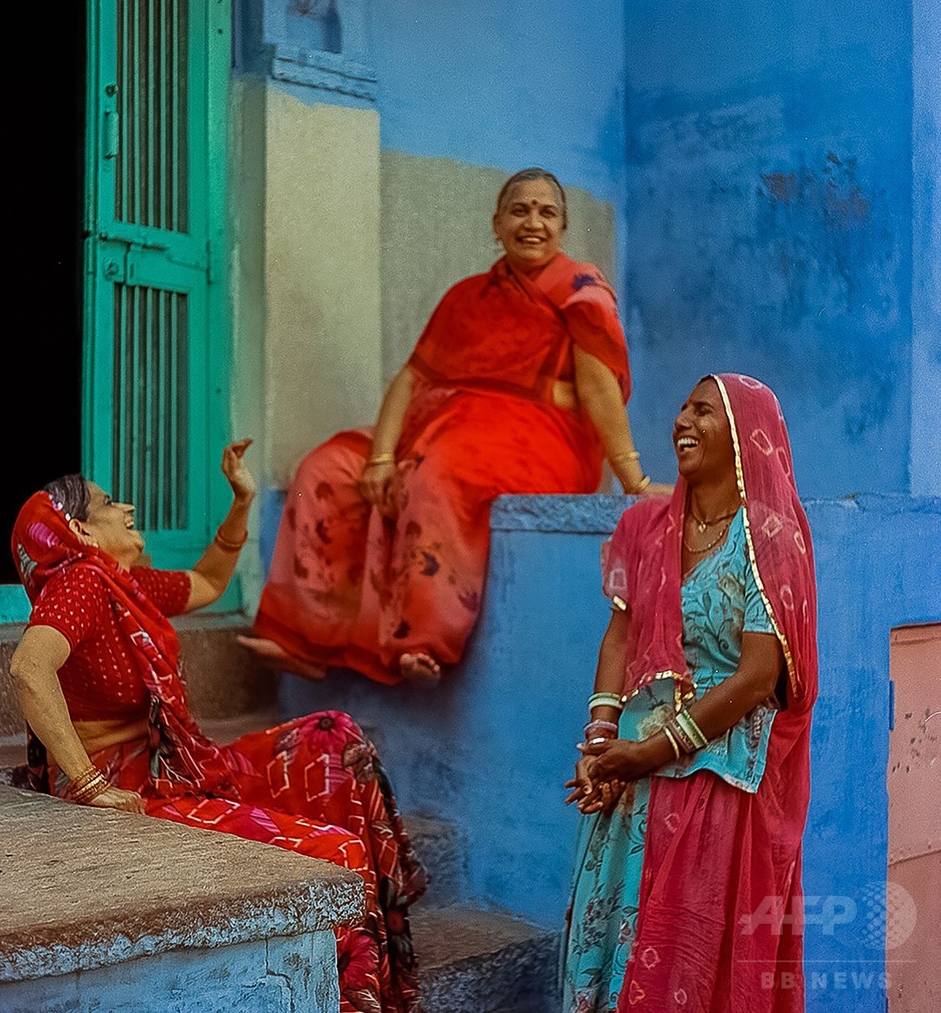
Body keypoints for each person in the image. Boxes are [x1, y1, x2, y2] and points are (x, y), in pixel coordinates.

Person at [8, 440, 425, 1013]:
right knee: (336, 855)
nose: (127, 509)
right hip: (133, 785)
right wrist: (90, 787)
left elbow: (207, 583)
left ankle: (380, 984)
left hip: (173, 767)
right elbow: (29, 668)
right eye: (108, 504)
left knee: (333, 737)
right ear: (80, 533)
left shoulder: (120, 584)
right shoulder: (82, 582)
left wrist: (242, 500)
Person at [242, 167, 668, 688]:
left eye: (546, 212)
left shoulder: (580, 289)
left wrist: (633, 480)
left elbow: (599, 388)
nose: (532, 221)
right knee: (327, 467)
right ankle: (306, 637)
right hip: (438, 428)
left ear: (563, 228)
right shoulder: (468, 296)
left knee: (436, 471)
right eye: (519, 209)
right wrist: (379, 457)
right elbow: (410, 378)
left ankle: (422, 642)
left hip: (537, 440)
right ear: (496, 223)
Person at [562, 374, 817, 1012]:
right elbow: (619, 640)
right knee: (612, 951)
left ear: (744, 437)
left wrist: (651, 753)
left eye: (703, 411)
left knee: (687, 965)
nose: (682, 420)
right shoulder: (647, 527)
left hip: (718, 778)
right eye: (681, 407)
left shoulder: (768, 538)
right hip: (633, 774)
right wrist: (601, 745)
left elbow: (759, 675)